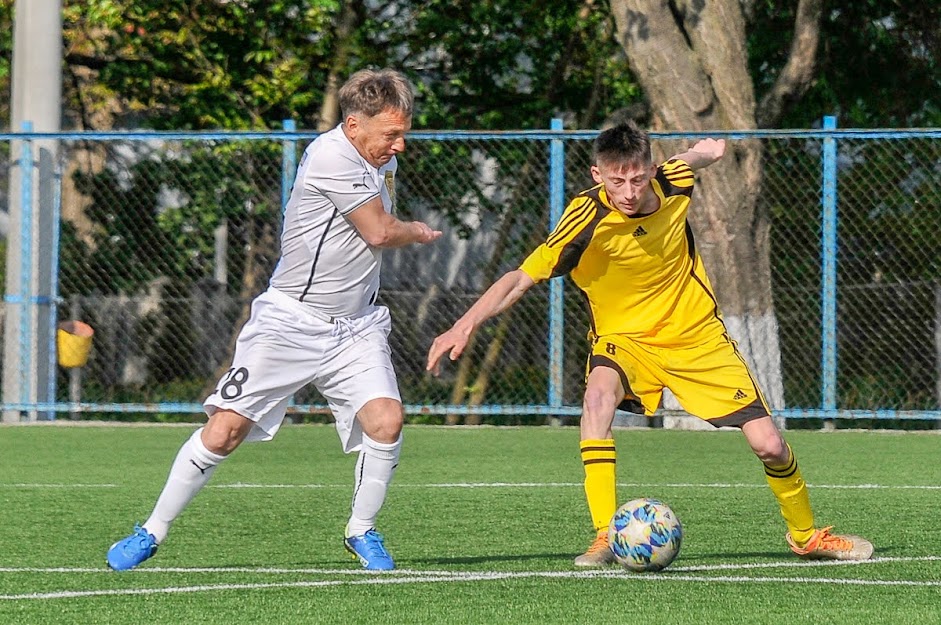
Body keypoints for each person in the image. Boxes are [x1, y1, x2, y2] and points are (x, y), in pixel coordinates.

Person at [426, 121, 873, 567]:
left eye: (637, 178)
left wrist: (707, 152)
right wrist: (465, 324)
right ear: (597, 176)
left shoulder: (673, 183)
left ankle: (806, 536)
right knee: (597, 399)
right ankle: (606, 534)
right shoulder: (585, 217)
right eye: (616, 180)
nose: (628, 190)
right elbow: (520, 277)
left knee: (770, 445)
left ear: (650, 170)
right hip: (624, 340)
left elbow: (687, 162)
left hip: (696, 337)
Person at [107, 68, 441, 572]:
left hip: (355, 325)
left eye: (403, 134)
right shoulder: (332, 156)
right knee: (224, 431)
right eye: (391, 134)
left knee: (387, 421)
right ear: (353, 125)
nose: (399, 146)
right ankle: (152, 530)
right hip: (290, 323)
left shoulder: (376, 159)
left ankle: (362, 530)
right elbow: (377, 231)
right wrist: (415, 230)